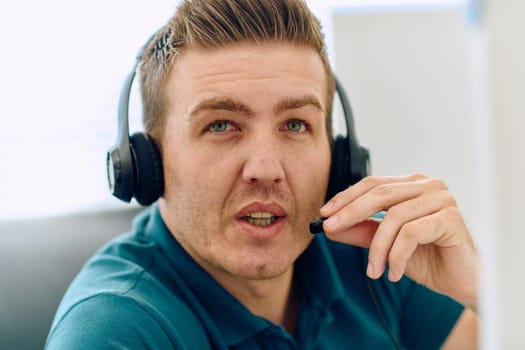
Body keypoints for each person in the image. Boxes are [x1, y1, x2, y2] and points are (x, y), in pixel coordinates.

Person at [46, 0, 479, 348]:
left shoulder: (378, 256)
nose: (266, 170)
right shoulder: (112, 331)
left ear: (340, 158)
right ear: (147, 164)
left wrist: (482, 293)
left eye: (295, 125)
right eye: (220, 126)